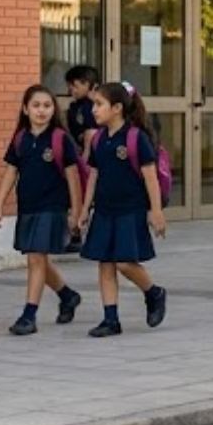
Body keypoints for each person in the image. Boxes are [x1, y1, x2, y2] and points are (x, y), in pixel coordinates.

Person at [0, 85, 86, 336]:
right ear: (25, 109)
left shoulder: (60, 138)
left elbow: (73, 177)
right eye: (36, 105)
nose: (41, 111)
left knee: (35, 258)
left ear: (54, 109)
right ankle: (67, 295)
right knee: (38, 259)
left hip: (53, 207)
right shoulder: (20, 138)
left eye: (47, 105)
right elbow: (11, 171)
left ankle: (29, 315)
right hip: (28, 207)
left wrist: (76, 211)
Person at [76, 83, 169, 337]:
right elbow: (93, 175)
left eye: (99, 104)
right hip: (104, 210)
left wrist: (156, 211)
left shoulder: (135, 138)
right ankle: (110, 319)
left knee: (125, 263)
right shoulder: (98, 139)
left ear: (117, 108)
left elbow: (150, 176)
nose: (94, 109)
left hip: (131, 210)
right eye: (93, 104)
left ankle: (154, 292)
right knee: (105, 264)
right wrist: (85, 209)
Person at [62, 65, 101, 253]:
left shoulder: (90, 107)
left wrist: (85, 159)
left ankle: (79, 234)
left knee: (84, 196)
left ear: (87, 85)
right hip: (79, 154)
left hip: (89, 158)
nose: (71, 89)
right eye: (70, 85)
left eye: (75, 85)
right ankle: (76, 234)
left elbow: (91, 134)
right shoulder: (75, 107)